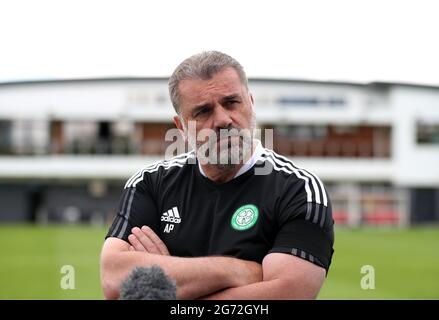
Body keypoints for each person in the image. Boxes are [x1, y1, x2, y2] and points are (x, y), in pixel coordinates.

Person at [100, 51, 334, 300]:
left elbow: (287, 296)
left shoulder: (299, 190)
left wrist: (167, 282)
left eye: (232, 102)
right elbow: (115, 281)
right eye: (203, 112)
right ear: (181, 126)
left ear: (251, 103)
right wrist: (239, 270)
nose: (223, 120)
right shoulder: (150, 184)